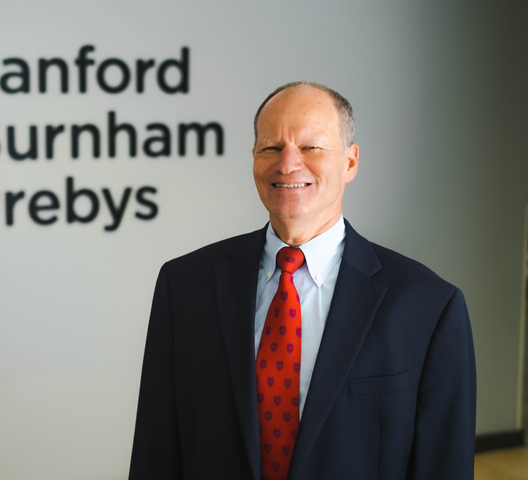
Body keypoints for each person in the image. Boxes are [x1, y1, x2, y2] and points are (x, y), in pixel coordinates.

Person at [128, 81, 476, 480]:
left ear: (350, 162)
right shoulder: (185, 286)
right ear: (254, 159)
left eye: (311, 147)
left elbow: (444, 466)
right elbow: (155, 451)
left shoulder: (429, 305)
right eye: (271, 148)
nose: (288, 164)